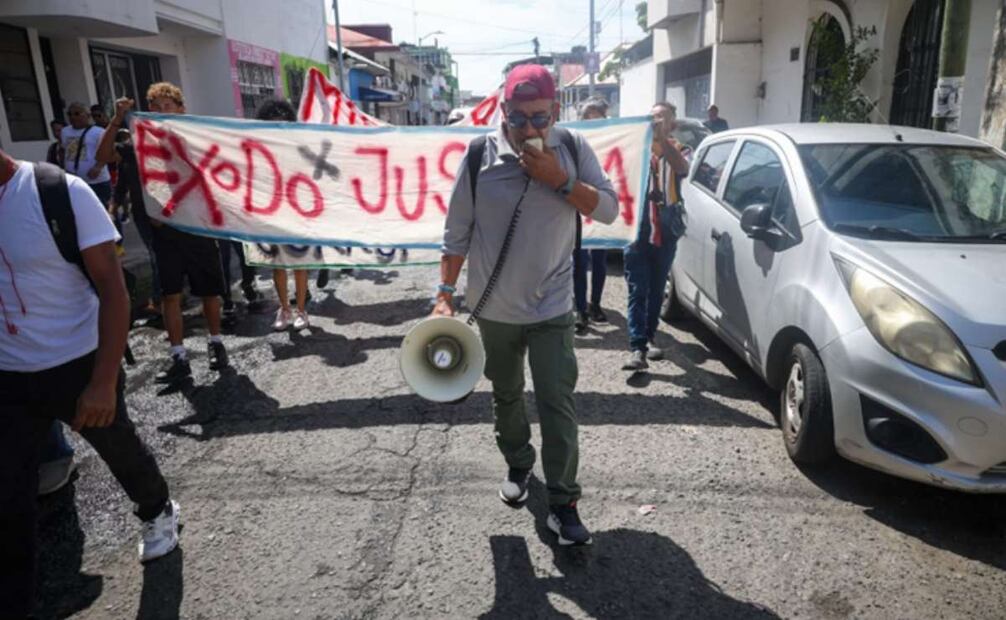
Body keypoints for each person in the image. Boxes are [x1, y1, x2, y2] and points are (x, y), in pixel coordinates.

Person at [435, 64, 618, 546]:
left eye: (540, 118)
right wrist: (444, 295)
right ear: (503, 113)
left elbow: (609, 208)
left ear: (555, 111)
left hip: (554, 305)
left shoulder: (572, 149)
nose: (530, 130)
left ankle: (563, 502)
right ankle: (519, 462)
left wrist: (560, 180)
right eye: (518, 120)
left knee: (558, 402)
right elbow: (456, 234)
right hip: (495, 310)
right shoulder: (479, 156)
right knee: (507, 395)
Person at [0, 147, 180, 618]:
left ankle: (158, 509)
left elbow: (114, 289)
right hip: (9, 377)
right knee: (8, 491)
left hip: (77, 362)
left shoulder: (58, 193)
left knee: (119, 448)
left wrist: (102, 381)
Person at [96, 84, 229, 383]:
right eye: (154, 106)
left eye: (166, 105)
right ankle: (178, 356)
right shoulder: (136, 145)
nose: (159, 111)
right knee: (170, 295)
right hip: (163, 233)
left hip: (197, 229)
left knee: (209, 292)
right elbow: (103, 155)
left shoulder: (193, 140)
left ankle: (216, 343)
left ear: (181, 109)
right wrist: (117, 119)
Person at [622, 102, 691, 371]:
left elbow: (683, 168)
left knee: (656, 289)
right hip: (636, 228)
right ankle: (637, 347)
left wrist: (662, 139)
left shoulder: (681, 149)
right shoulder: (635, 150)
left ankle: (649, 336)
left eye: (662, 117)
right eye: (652, 116)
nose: (656, 120)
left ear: (672, 124)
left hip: (666, 227)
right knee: (638, 288)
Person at [255, 99, 312, 332]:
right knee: (277, 265)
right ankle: (284, 308)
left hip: (296, 211)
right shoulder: (261, 150)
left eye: (282, 124)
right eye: (272, 124)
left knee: (299, 263)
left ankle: (301, 310)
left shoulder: (297, 149)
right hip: (273, 213)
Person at [111, 127, 161, 317]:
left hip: (162, 215)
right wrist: (113, 209)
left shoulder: (157, 156)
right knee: (155, 254)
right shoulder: (128, 159)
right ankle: (160, 299)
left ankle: (164, 297)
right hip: (142, 214)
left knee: (160, 256)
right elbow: (121, 185)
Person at [572, 98, 611, 334]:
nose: (595, 121)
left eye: (599, 117)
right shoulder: (575, 140)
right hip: (579, 204)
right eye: (590, 117)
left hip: (600, 202)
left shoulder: (610, 138)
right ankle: (580, 308)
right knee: (579, 260)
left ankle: (595, 303)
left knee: (600, 258)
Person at [62, 102, 113, 210]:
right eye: (69, 114)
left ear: (88, 115)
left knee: (104, 211)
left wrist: (98, 167)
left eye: (77, 113)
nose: (73, 117)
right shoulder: (65, 132)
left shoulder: (99, 132)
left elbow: (109, 153)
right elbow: (63, 151)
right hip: (74, 181)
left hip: (97, 182)